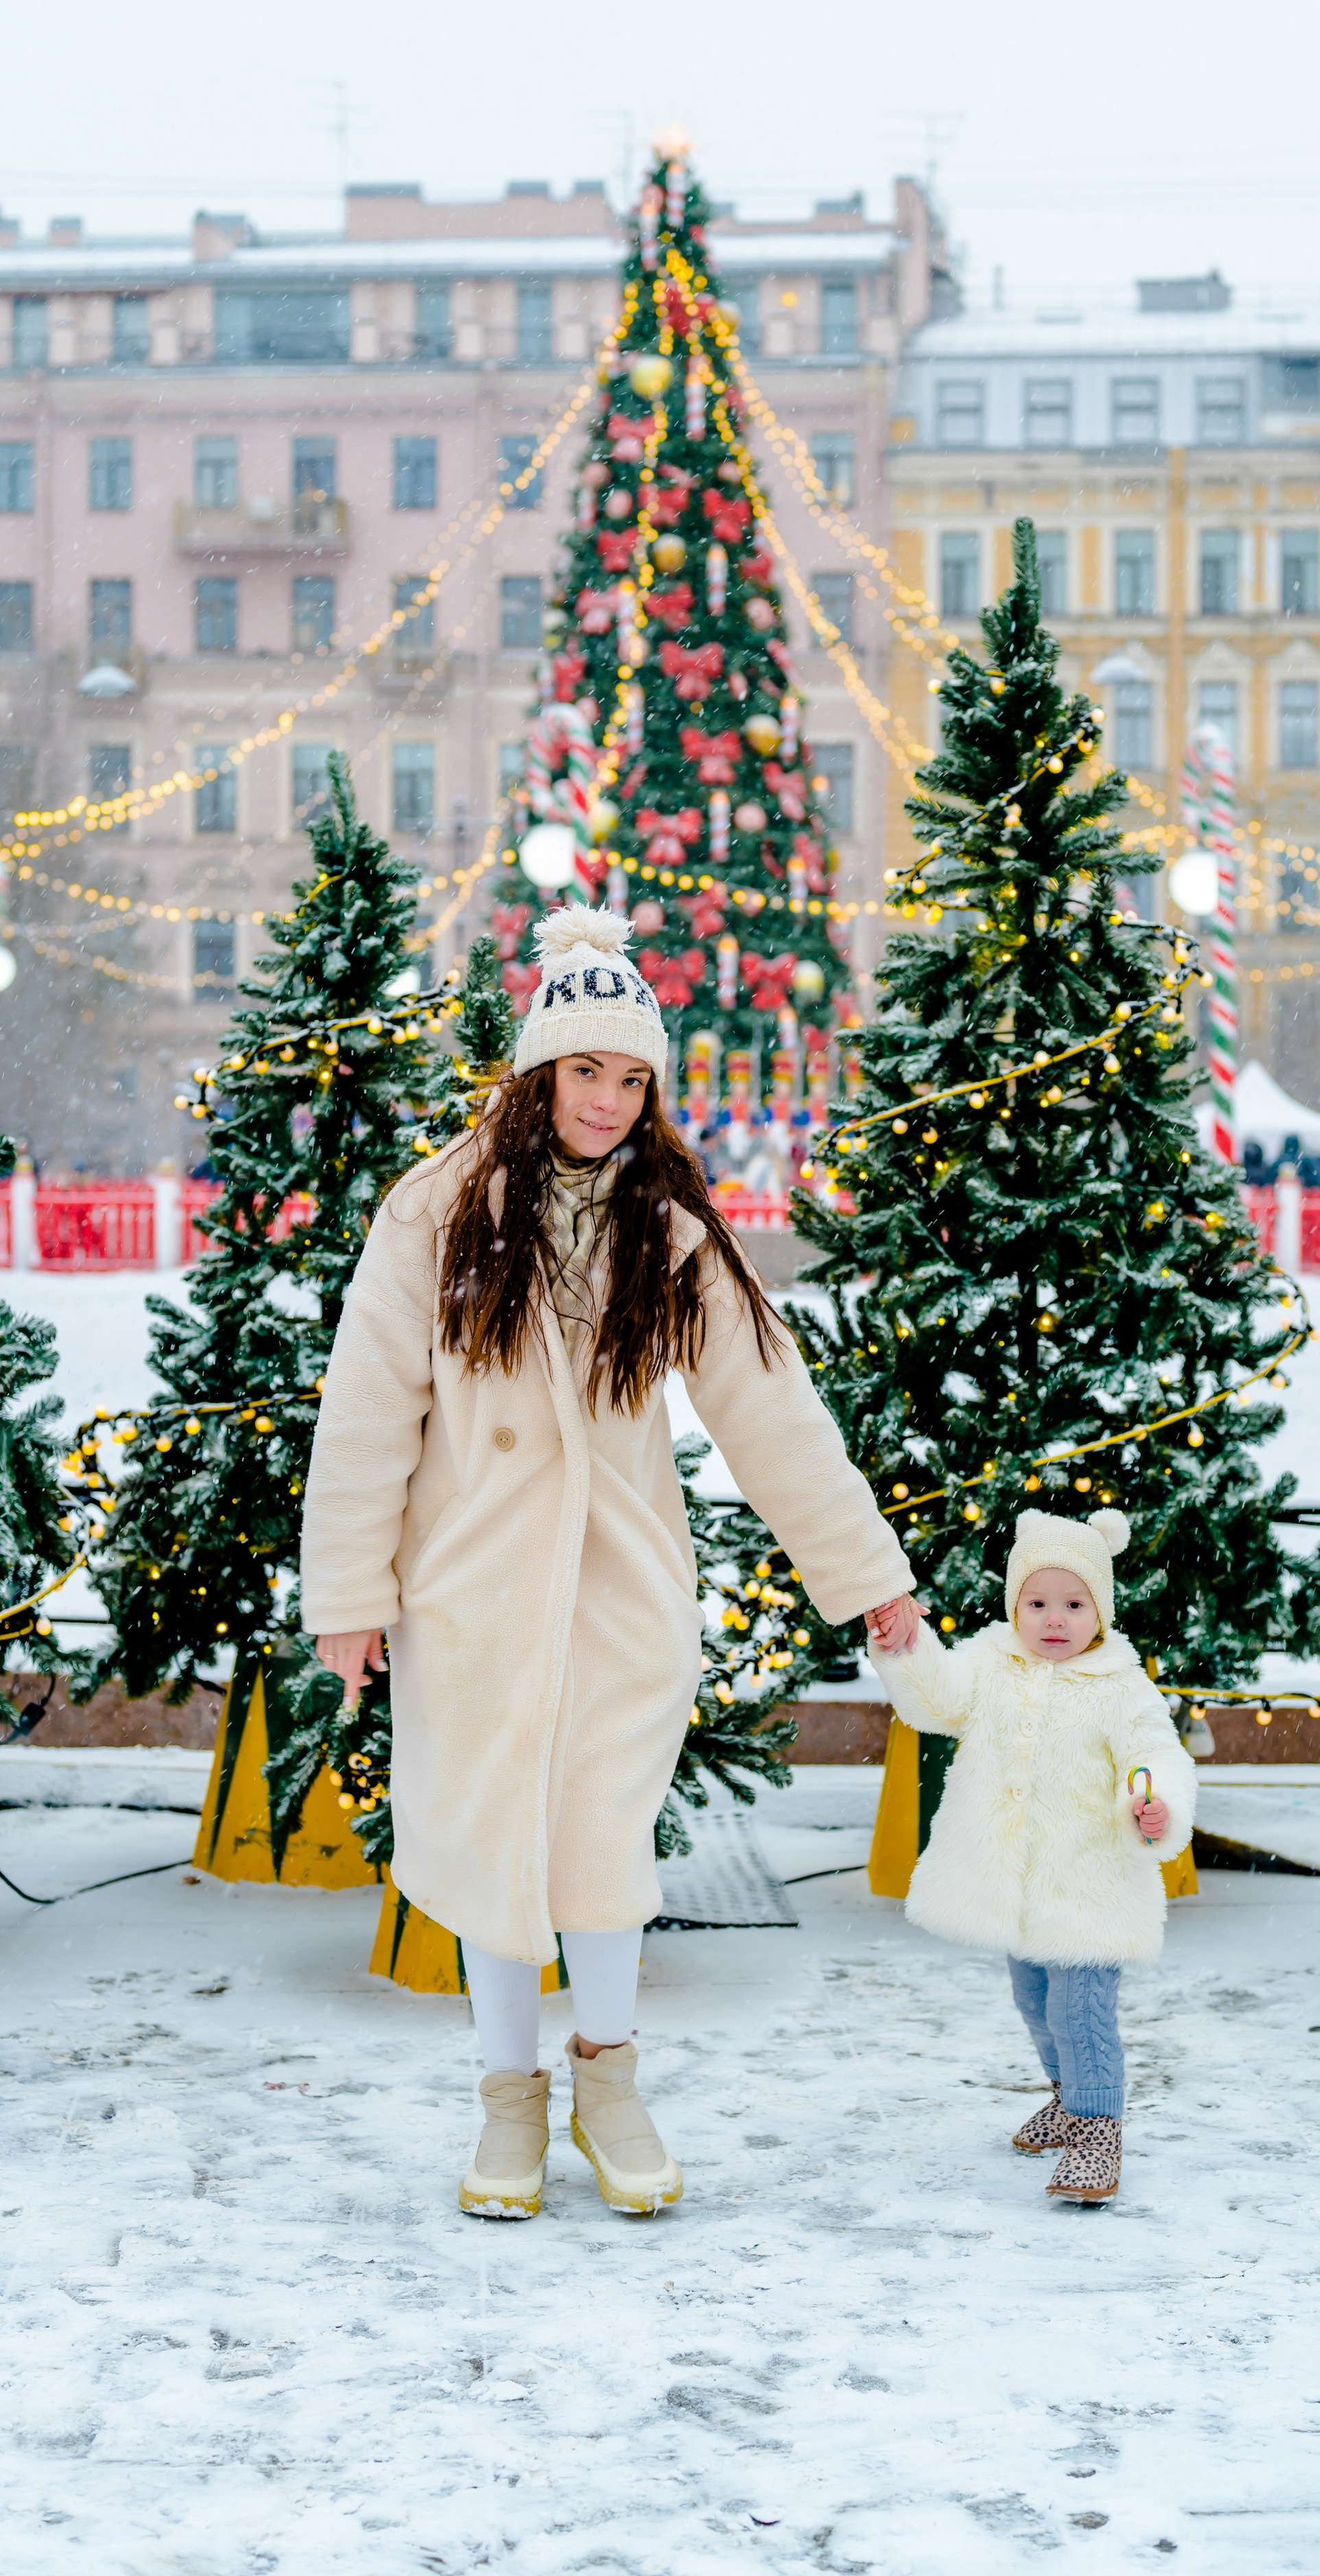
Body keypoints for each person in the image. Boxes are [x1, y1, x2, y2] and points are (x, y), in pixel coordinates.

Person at [301, 905, 915, 2221]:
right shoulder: (436, 1211)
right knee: (490, 1846)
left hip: (620, 1590)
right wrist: (349, 1593)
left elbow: (769, 1404)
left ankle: (610, 2081)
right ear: (539, 1069)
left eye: (633, 1077)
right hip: (472, 1592)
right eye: (587, 1068)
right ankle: (507, 2097)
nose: (608, 1099)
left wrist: (866, 1567)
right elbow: (367, 1410)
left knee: (599, 1845)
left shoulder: (667, 1226)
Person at [867, 1509, 1195, 2204]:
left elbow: (1152, 1754)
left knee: (1081, 2010)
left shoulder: (1119, 1685)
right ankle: (1066, 2096)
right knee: (1036, 2000)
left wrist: (1154, 1801)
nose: (1054, 1620)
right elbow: (934, 1700)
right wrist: (906, 1646)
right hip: (1018, 1885)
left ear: (1100, 1612)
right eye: (1037, 1603)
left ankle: (1097, 2126)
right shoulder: (992, 1665)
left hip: (1089, 1884)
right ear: (1014, 1605)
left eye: (1074, 1605)